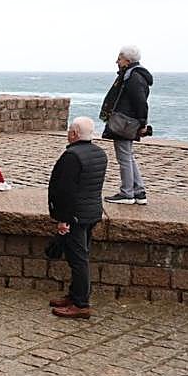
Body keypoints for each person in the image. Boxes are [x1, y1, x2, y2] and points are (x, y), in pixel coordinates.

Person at [47, 116, 108, 319]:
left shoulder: (72, 156)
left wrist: (63, 219)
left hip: (75, 216)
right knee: (81, 255)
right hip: (91, 212)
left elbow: (66, 191)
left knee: (78, 259)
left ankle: (81, 303)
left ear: (74, 134)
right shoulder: (99, 154)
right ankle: (74, 296)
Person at [100, 45, 152, 205]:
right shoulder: (133, 75)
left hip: (125, 122)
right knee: (128, 156)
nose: (117, 61)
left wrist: (142, 123)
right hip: (128, 121)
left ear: (127, 60)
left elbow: (140, 102)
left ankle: (127, 193)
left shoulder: (133, 78)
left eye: (119, 58)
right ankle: (139, 191)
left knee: (124, 158)